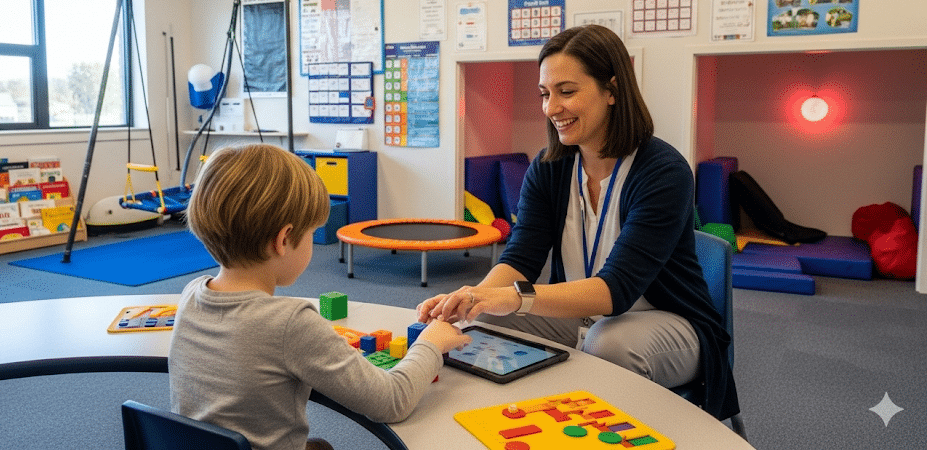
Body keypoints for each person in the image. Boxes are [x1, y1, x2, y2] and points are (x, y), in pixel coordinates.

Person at [417, 25, 740, 421]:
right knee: (483, 317)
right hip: (581, 315)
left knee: (608, 343)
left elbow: (616, 290)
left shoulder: (663, 172)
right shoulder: (549, 167)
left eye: (566, 92)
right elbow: (521, 257)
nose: (551, 108)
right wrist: (471, 297)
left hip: (664, 321)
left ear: (612, 90)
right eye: (545, 94)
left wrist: (516, 297)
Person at [169, 144, 471, 450]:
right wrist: (431, 344)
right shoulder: (291, 323)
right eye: (312, 233)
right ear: (283, 240)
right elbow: (392, 400)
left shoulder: (192, 294)